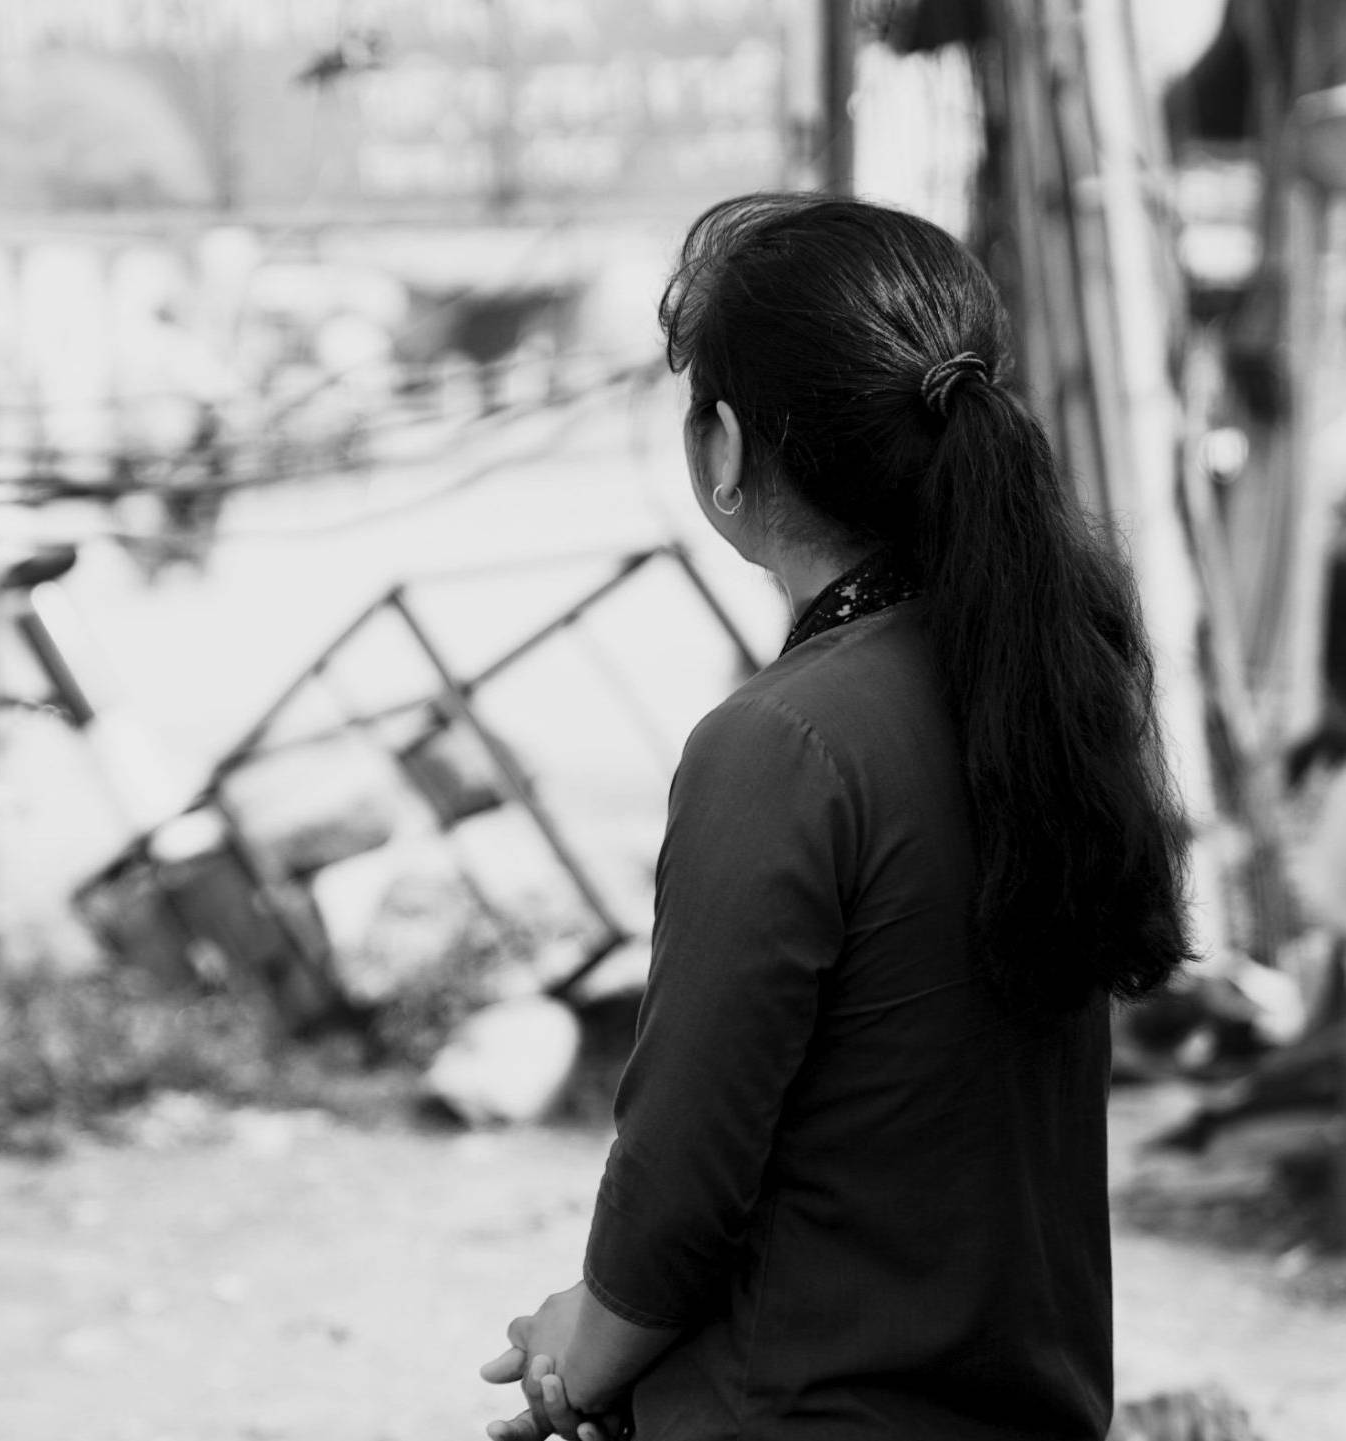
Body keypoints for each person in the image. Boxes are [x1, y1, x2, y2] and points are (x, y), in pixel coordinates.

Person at [481, 194, 1193, 1440]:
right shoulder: (1045, 690)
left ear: (725, 449)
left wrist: (573, 1353)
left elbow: (680, 1178)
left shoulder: (782, 742)